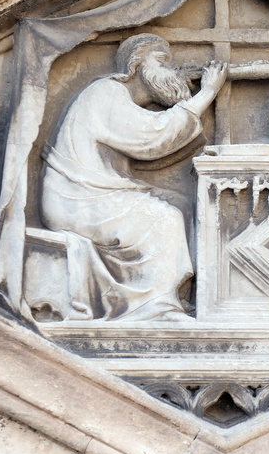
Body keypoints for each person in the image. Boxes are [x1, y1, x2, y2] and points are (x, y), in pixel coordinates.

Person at [39, 33, 227, 321]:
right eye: (163, 60)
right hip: (77, 200)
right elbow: (151, 137)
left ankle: (172, 295)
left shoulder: (120, 99)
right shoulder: (105, 92)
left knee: (185, 205)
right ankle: (154, 309)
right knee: (163, 219)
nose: (173, 69)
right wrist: (207, 94)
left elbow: (159, 142)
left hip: (100, 194)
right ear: (136, 64)